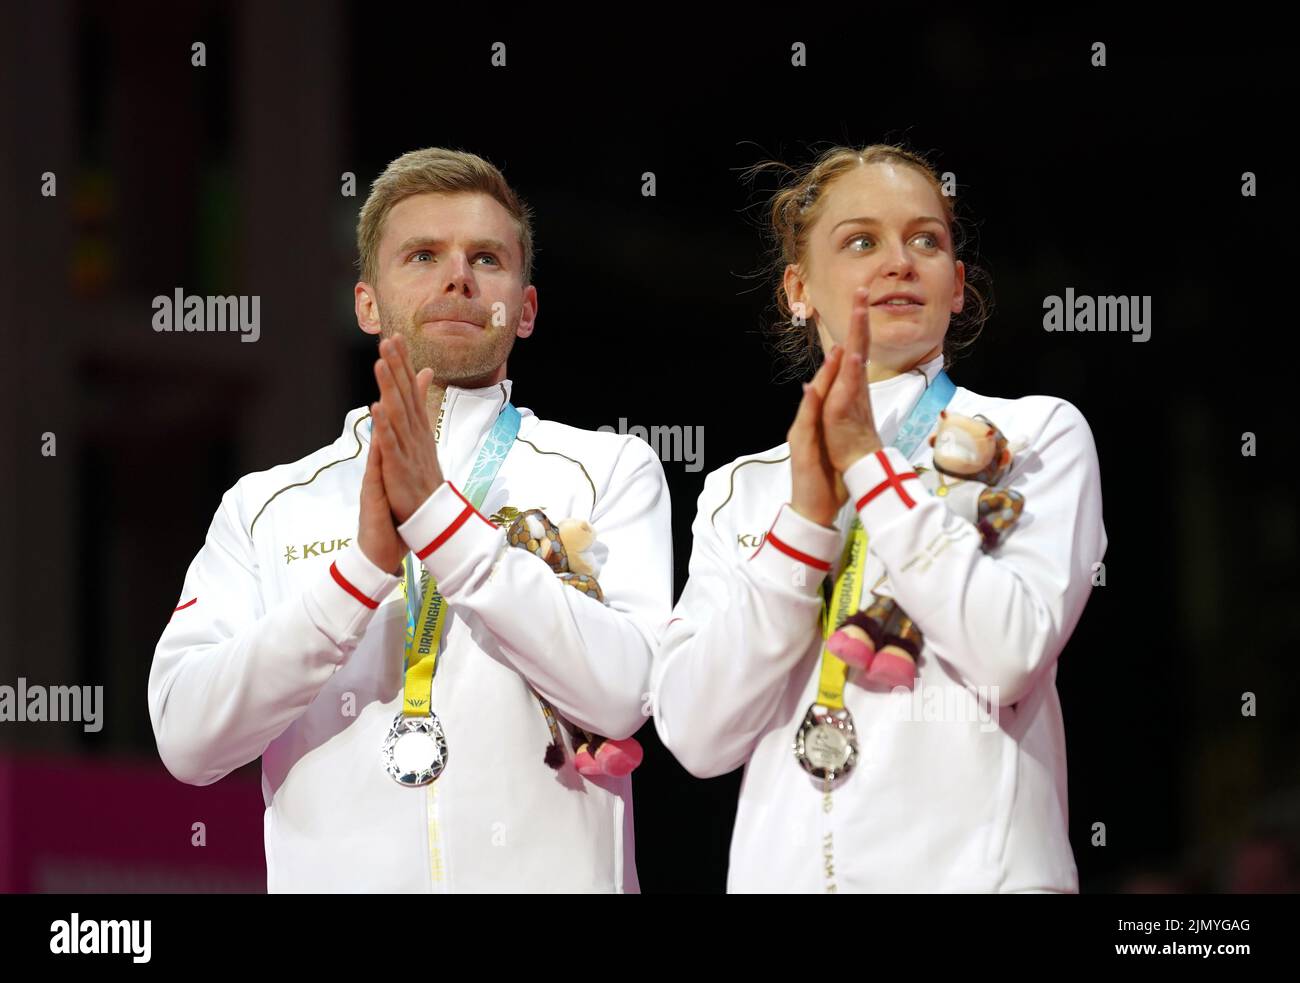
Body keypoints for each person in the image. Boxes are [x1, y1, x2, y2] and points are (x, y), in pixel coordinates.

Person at [148, 148, 671, 892]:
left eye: (486, 258)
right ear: (368, 302)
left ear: (524, 309)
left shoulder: (608, 469)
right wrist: (357, 574)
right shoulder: (267, 505)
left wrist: (443, 526)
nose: (458, 277)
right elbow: (186, 735)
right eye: (422, 255)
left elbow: (625, 694)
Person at [652, 144, 1106, 892]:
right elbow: (698, 734)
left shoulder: (1034, 434)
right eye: (862, 241)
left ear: (957, 286)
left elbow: (1011, 650)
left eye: (926, 240)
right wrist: (802, 528)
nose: (900, 261)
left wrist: (868, 462)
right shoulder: (743, 488)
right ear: (798, 288)